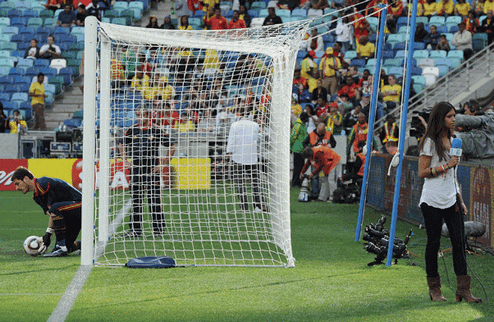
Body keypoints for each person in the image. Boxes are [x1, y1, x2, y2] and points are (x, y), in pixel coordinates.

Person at [418, 101, 482, 303]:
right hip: (432, 199)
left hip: (451, 198)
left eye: (455, 116)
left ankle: (464, 289)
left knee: (459, 241)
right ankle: (434, 289)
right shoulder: (429, 141)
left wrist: (460, 200)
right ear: (440, 118)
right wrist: (445, 166)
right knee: (433, 243)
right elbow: (422, 172)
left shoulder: (455, 140)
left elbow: (454, 176)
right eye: (450, 116)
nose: (454, 119)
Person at [119, 107, 175, 238]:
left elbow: (171, 147)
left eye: (143, 115)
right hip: (136, 169)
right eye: (138, 115)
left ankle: (158, 230)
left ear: (148, 116)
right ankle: (135, 230)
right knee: (136, 200)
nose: (140, 118)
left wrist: (163, 164)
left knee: (154, 199)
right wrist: (125, 161)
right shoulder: (132, 130)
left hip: (151, 170)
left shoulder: (156, 129)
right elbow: (121, 144)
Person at [12, 166, 82, 257]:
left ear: (26, 179)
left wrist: (48, 234)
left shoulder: (42, 184)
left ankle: (61, 247)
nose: (16, 188)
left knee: (55, 208)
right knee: (67, 247)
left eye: (17, 183)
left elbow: (53, 209)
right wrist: (47, 236)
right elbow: (51, 214)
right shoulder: (36, 197)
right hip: (70, 213)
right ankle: (84, 244)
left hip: (81, 205)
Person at [226, 109, 266, 212]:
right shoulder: (255, 125)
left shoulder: (234, 125)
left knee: (240, 183)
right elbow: (257, 139)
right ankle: (259, 206)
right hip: (252, 158)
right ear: (249, 114)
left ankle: (244, 207)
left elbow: (231, 140)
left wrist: (229, 152)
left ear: (239, 114)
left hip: (238, 157)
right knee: (256, 182)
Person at [290, 112, 309, 187]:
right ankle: (295, 182)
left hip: (301, 148)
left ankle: (299, 182)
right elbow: (293, 136)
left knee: (301, 166)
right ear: (304, 119)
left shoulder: (302, 124)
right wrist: (290, 146)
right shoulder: (298, 125)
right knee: (297, 167)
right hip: (297, 148)